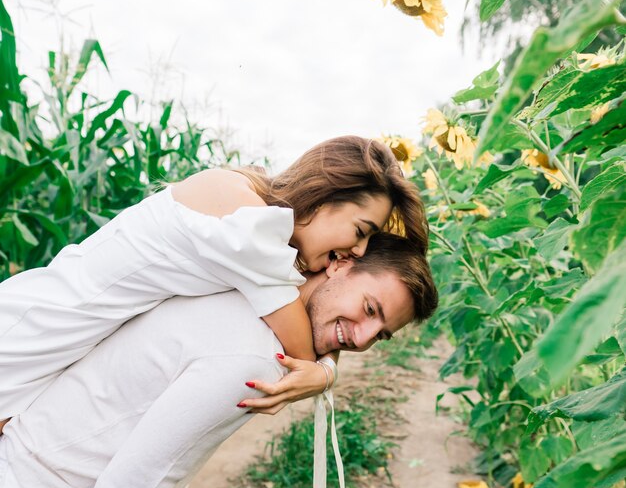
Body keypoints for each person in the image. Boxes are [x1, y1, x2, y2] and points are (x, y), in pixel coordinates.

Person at [0, 233, 438, 488]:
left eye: (380, 335)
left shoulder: (246, 280)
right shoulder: (258, 360)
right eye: (370, 309)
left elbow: (163, 395)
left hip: (69, 477)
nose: (361, 337)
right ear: (341, 263)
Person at [0, 135, 428, 424]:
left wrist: (327, 368)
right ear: (327, 196)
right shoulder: (244, 215)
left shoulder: (254, 233)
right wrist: (325, 375)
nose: (356, 253)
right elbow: (303, 342)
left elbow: (319, 326)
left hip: (53, 351)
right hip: (28, 336)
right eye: (361, 231)